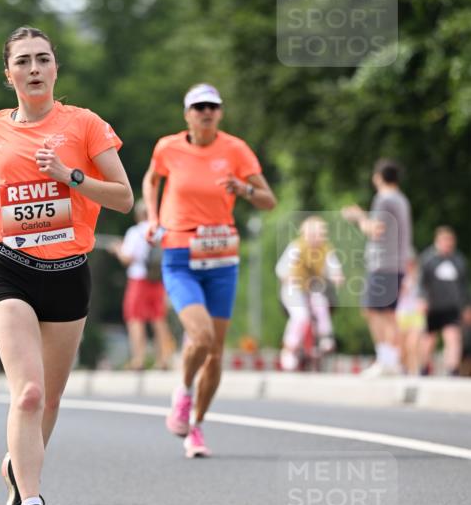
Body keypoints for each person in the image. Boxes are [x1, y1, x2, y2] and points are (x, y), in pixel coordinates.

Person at [0, 26, 133, 505]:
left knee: (50, 398)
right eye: (23, 61)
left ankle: (17, 470)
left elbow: (123, 198)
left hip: (69, 273)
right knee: (28, 393)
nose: (34, 69)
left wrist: (71, 176)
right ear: (8, 74)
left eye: (43, 59)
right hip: (10, 268)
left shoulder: (84, 124)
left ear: (56, 68)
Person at [142, 83, 276, 458]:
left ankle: (196, 427)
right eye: (199, 107)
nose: (205, 113)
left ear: (220, 113)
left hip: (221, 259)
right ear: (187, 114)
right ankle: (183, 392)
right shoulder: (168, 147)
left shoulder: (236, 149)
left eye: (212, 107)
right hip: (180, 255)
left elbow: (268, 200)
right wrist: (153, 218)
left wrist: (242, 189)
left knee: (215, 353)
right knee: (200, 337)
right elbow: (151, 180)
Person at [342, 158, 412, 377]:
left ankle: (385, 360)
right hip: (397, 263)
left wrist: (358, 217)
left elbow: (375, 230)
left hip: (383, 264)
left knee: (373, 311)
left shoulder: (384, 199)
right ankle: (393, 360)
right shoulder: (402, 200)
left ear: (378, 177)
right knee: (388, 313)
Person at [110, 200, 173, 370]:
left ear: (138, 214)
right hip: (158, 280)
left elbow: (127, 258)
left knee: (135, 319)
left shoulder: (135, 232)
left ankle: (139, 359)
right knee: (159, 319)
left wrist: (117, 249)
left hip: (138, 280)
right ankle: (163, 359)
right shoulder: (161, 232)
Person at [275, 216, 344, 371]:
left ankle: (325, 336)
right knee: (300, 316)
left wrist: (337, 275)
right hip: (294, 288)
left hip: (313, 288)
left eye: (320, 234)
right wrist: (288, 277)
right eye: (313, 234)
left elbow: (333, 266)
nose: (317, 238)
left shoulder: (326, 249)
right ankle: (290, 348)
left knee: (321, 304)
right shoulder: (296, 247)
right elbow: (281, 269)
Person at [418, 227, 469, 376]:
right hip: (433, 306)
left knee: (453, 337)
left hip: (452, 306)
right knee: (429, 339)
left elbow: (463, 286)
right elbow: (421, 283)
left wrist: (466, 306)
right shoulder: (428, 258)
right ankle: (424, 367)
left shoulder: (459, 260)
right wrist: (422, 299)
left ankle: (453, 369)